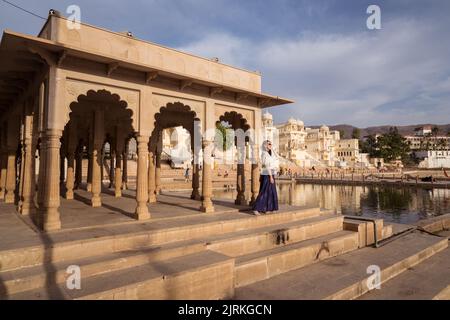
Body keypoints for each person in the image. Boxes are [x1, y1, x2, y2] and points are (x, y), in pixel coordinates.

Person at [252, 140, 279, 215]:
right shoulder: (264, 154)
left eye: (271, 144)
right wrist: (270, 176)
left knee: (271, 192)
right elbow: (266, 165)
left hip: (271, 173)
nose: (271, 145)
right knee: (264, 191)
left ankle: (268, 208)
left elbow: (277, 157)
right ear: (265, 145)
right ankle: (256, 208)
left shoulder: (270, 153)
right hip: (267, 174)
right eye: (269, 144)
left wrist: (272, 149)